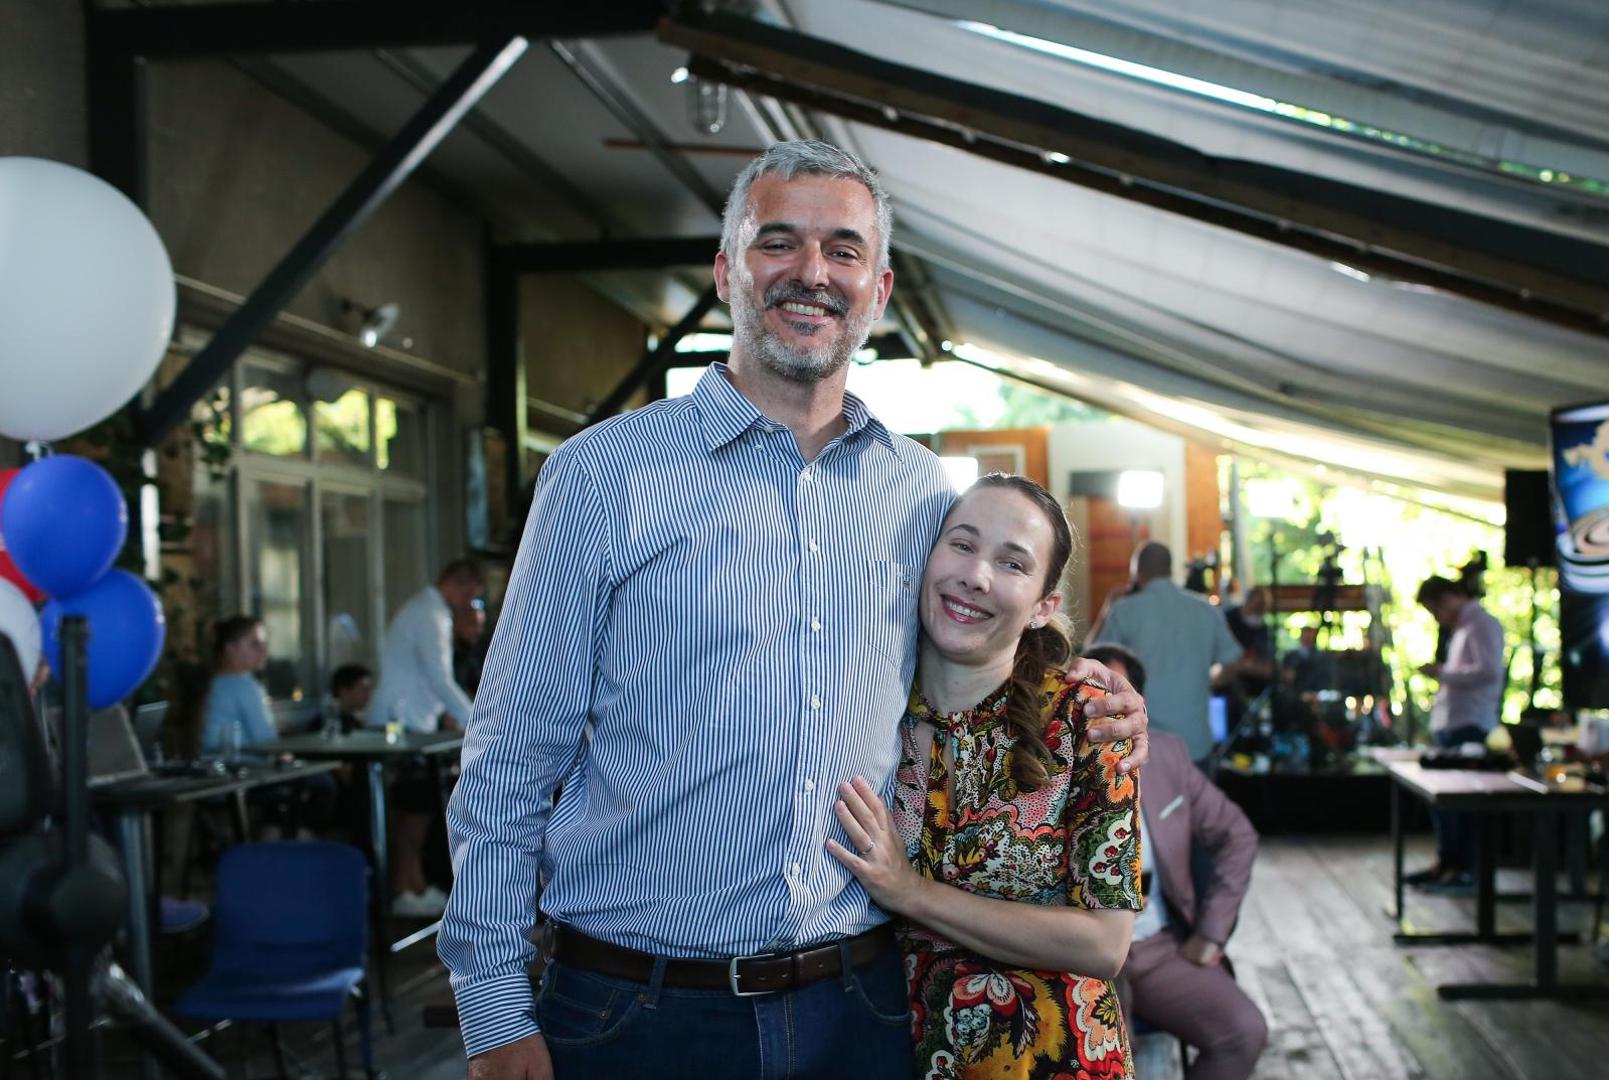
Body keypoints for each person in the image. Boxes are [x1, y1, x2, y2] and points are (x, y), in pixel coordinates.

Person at [439, 140, 1151, 1080]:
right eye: (778, 242)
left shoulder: (918, 493)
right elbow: (511, 752)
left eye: (842, 250)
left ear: (877, 289)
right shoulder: (601, 476)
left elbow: (974, 650)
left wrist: (1087, 693)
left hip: (857, 1007)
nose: (811, 272)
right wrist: (491, 1005)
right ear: (726, 271)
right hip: (636, 1011)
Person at [830, 475, 1141, 1078]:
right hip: (886, 1053)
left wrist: (911, 892)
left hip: (1054, 1062)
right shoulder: (863, 706)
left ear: (1043, 607)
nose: (976, 576)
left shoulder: (1086, 717)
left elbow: (1106, 944)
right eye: (963, 544)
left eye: (1012, 563)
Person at [1085, 645, 1267, 1080]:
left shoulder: (1168, 756)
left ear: (1139, 705)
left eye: (1116, 694)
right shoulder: (1050, 765)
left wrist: (1211, 932)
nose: (1104, 708)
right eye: (1092, 695)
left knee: (1244, 1032)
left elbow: (1237, 835)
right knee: (1103, 1064)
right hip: (1079, 956)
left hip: (1155, 947)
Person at [1090, 541, 1247, 763]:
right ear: (1170, 569)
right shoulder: (1205, 609)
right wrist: (1208, 679)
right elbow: (1233, 661)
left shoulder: (1125, 610)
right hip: (1195, 741)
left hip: (1143, 743)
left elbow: (1093, 663)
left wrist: (1108, 608)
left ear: (1137, 572)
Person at [1407, 576, 1505, 889]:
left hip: (1471, 724)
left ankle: (1467, 871)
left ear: (1448, 597)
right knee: (1446, 803)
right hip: (1453, 724)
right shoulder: (1462, 629)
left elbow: (1489, 671)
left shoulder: (1482, 624)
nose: (1437, 617)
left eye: (1435, 609)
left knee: (1465, 804)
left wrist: (1443, 673)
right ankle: (1448, 863)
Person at [366, 557, 484, 735]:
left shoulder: (424, 609)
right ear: (453, 584)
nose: (467, 603)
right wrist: (476, 722)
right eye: (468, 595)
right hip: (401, 721)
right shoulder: (430, 616)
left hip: (405, 717)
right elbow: (439, 679)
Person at [198, 616, 276, 757]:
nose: (265, 651)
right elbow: (267, 741)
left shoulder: (218, 683)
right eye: (255, 644)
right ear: (231, 648)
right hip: (244, 768)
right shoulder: (242, 686)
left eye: (264, 644)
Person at [329, 662, 375, 734]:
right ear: (344, 691)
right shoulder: (325, 725)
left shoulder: (355, 724)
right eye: (363, 689)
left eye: (369, 689)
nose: (369, 694)